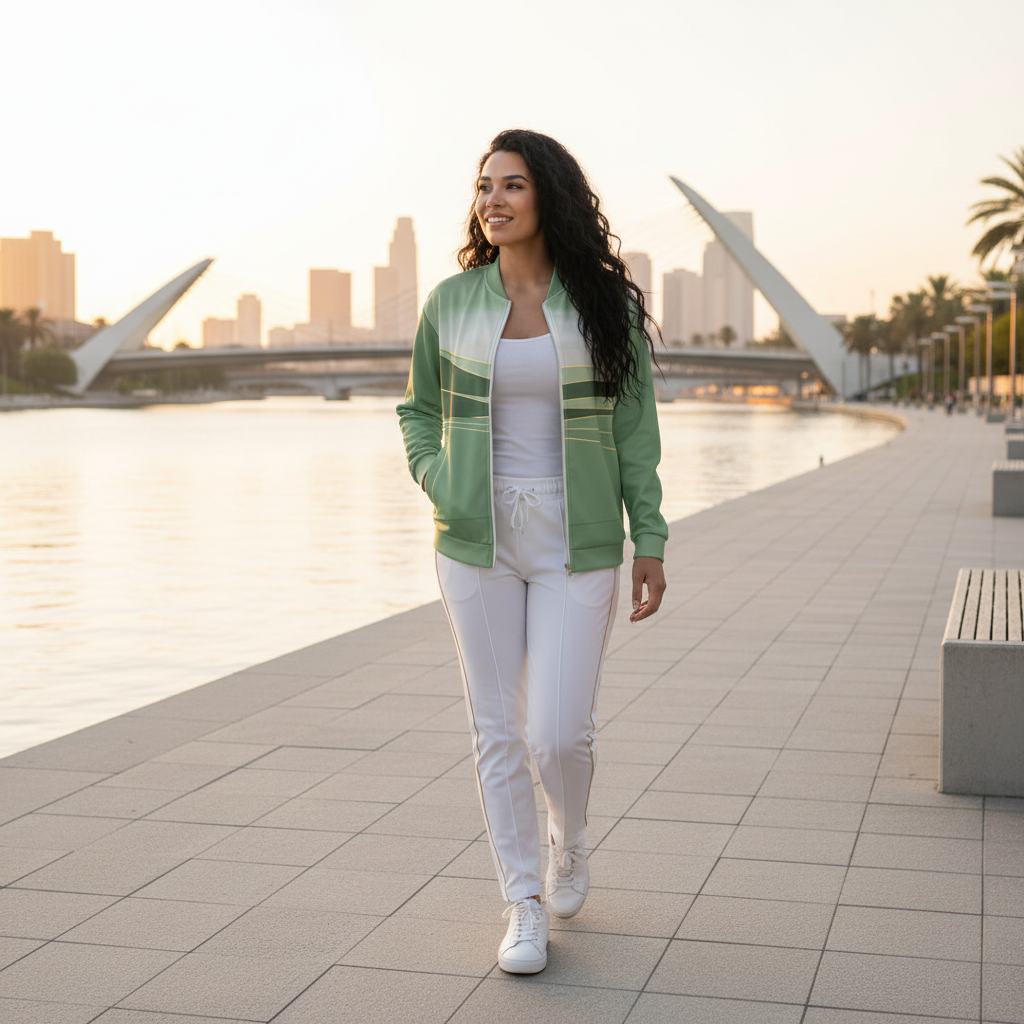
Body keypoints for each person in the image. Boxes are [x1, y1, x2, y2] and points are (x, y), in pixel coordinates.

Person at [397, 129, 668, 974]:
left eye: (512, 185)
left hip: (575, 542)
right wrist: (440, 479)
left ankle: (570, 839)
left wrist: (648, 538)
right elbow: (413, 411)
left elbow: (635, 433)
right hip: (474, 544)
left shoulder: (604, 307)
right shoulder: (451, 301)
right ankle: (521, 901)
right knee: (496, 729)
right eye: (485, 187)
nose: (494, 200)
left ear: (547, 195)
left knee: (558, 735)